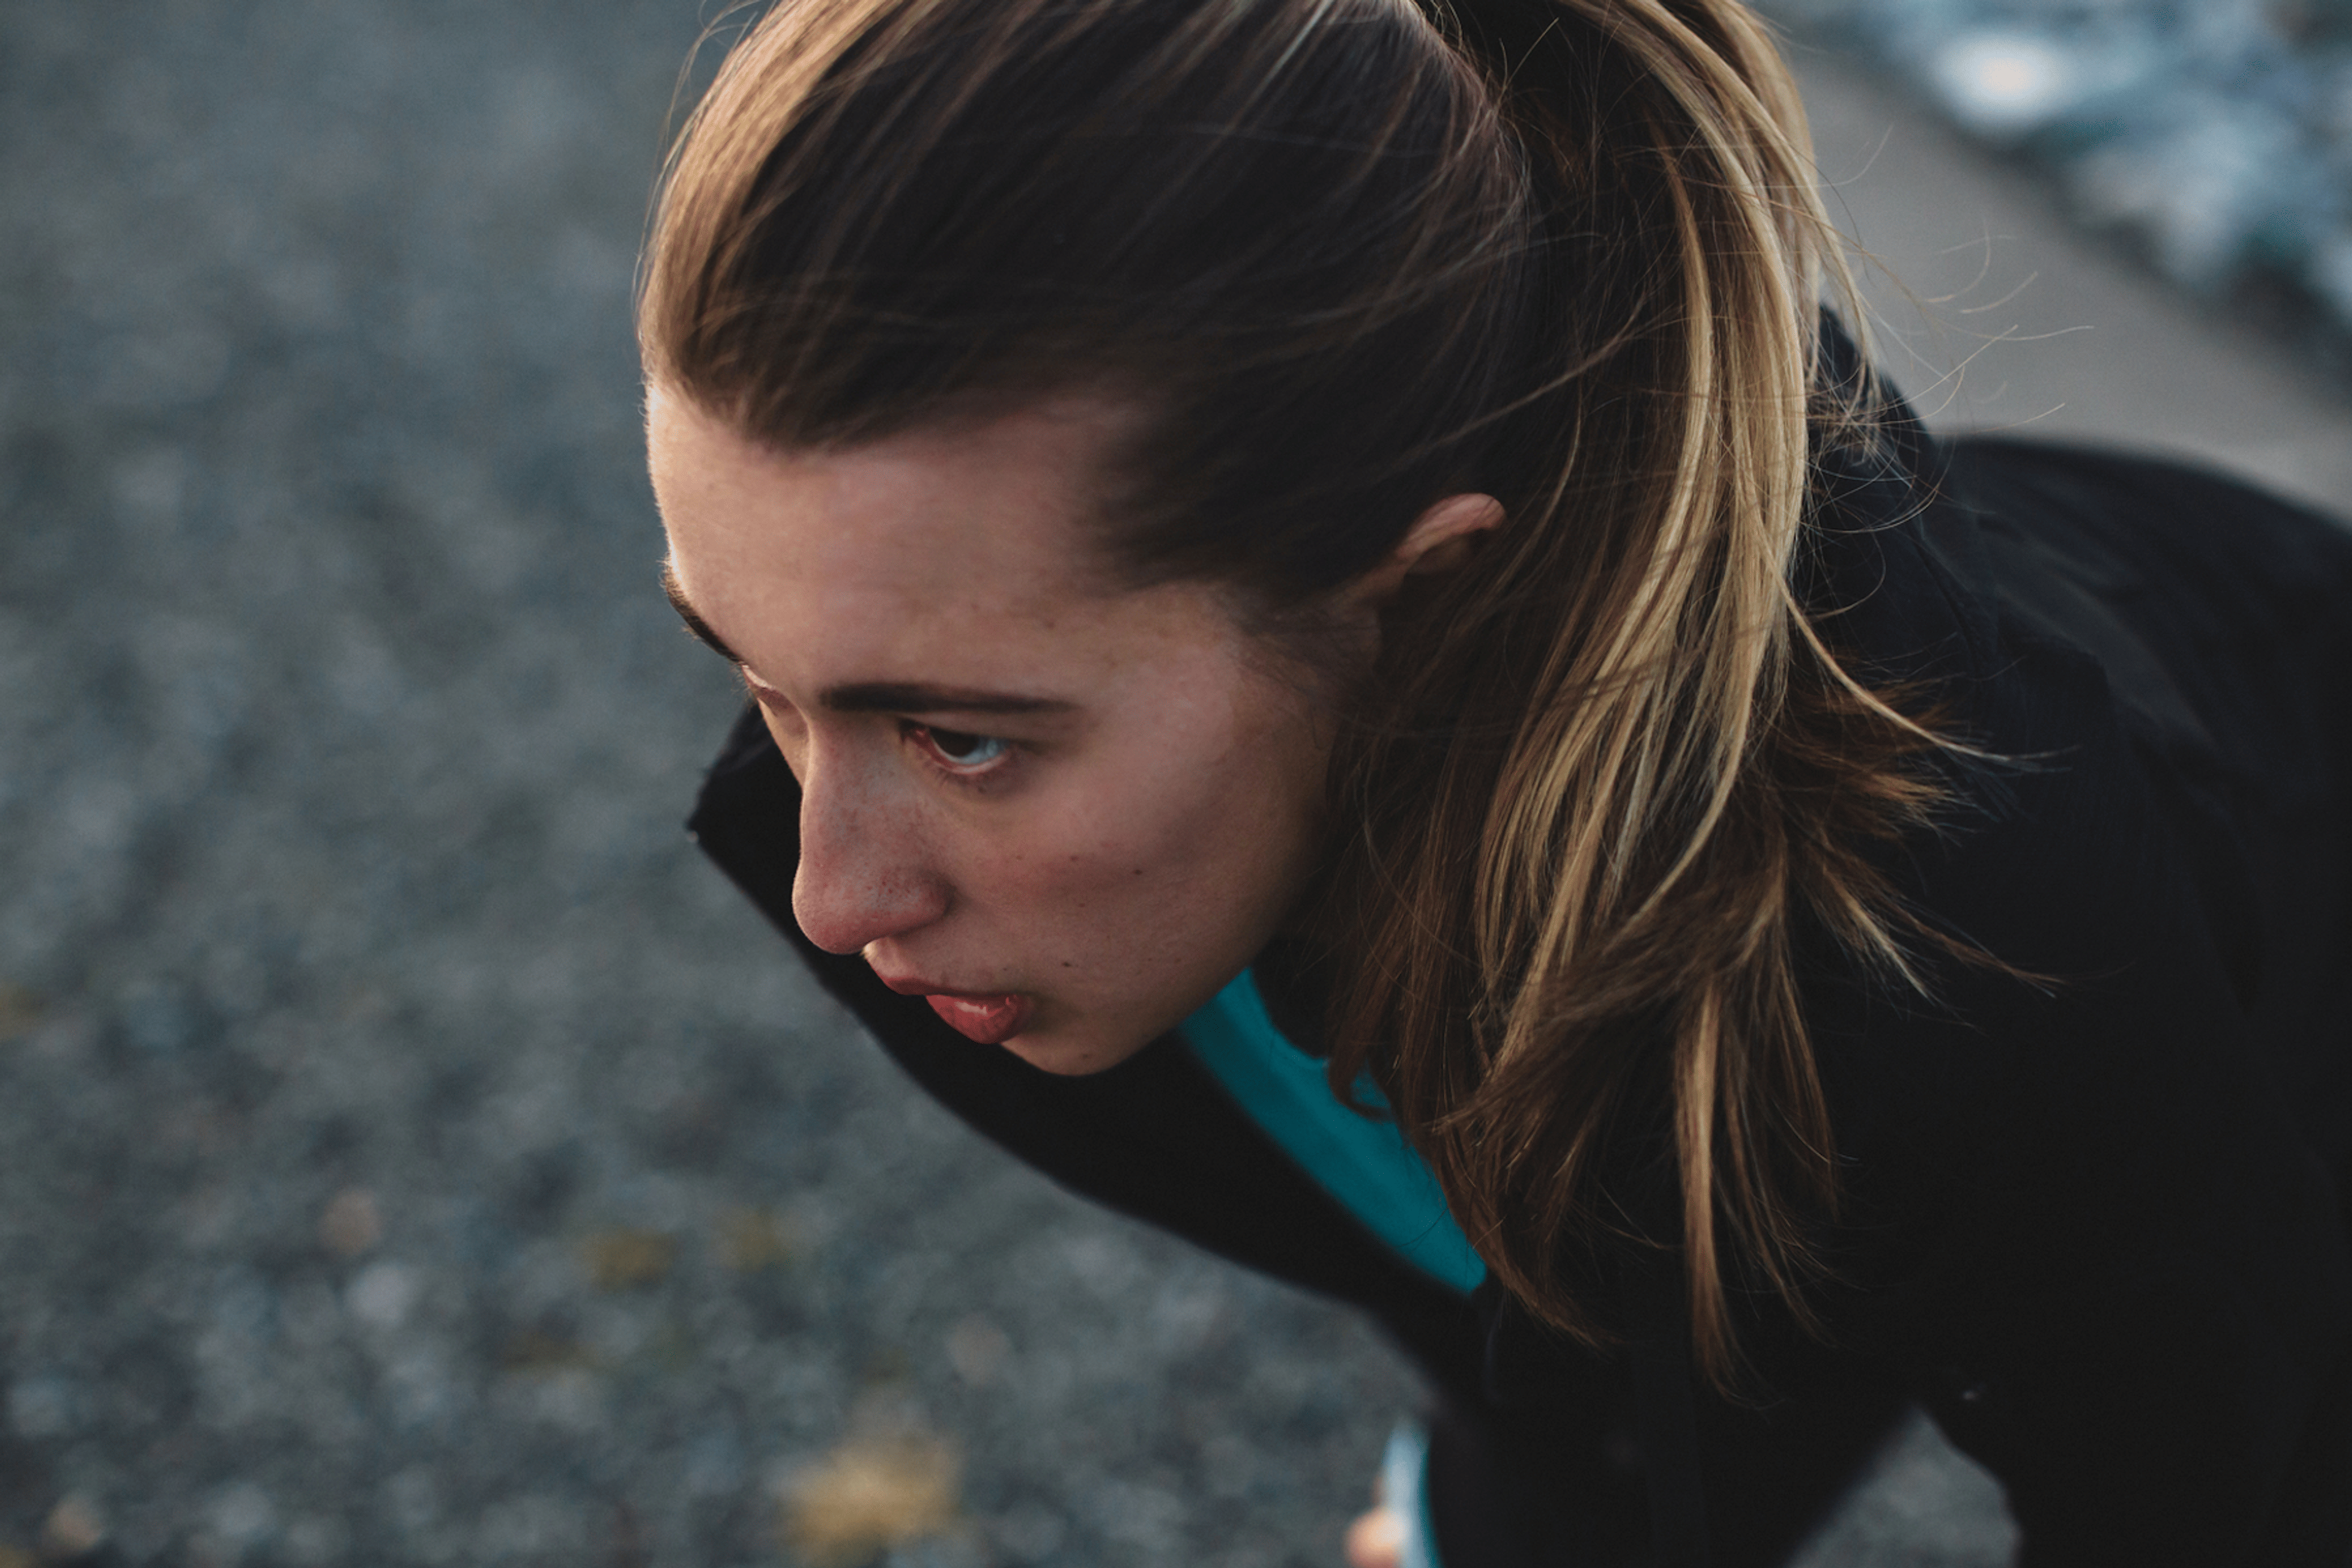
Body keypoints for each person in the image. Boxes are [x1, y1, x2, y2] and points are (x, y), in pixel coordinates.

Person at [635, 0, 2352, 1562]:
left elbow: (2198, 1491)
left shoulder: (1981, 952)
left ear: (1416, 605)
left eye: (962, 739)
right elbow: (1553, 1301)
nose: (832, 891)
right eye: (761, 685)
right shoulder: (1169, 798)